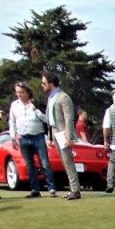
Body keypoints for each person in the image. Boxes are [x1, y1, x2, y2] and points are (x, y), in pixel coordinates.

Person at [9, 81, 56, 198]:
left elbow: (47, 119)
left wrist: (36, 110)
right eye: (17, 92)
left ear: (27, 92)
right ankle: (35, 189)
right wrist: (13, 136)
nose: (19, 94)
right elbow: (12, 121)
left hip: (38, 136)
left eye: (22, 92)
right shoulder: (14, 105)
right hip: (23, 138)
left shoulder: (36, 104)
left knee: (44, 163)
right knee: (30, 165)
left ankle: (51, 188)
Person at [41, 70, 81, 200]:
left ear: (51, 83)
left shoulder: (63, 97)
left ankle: (75, 190)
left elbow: (69, 118)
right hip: (54, 131)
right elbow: (50, 118)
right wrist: (50, 136)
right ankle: (72, 188)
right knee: (64, 162)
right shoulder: (51, 97)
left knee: (68, 161)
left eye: (44, 83)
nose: (42, 85)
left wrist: (69, 136)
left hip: (63, 132)